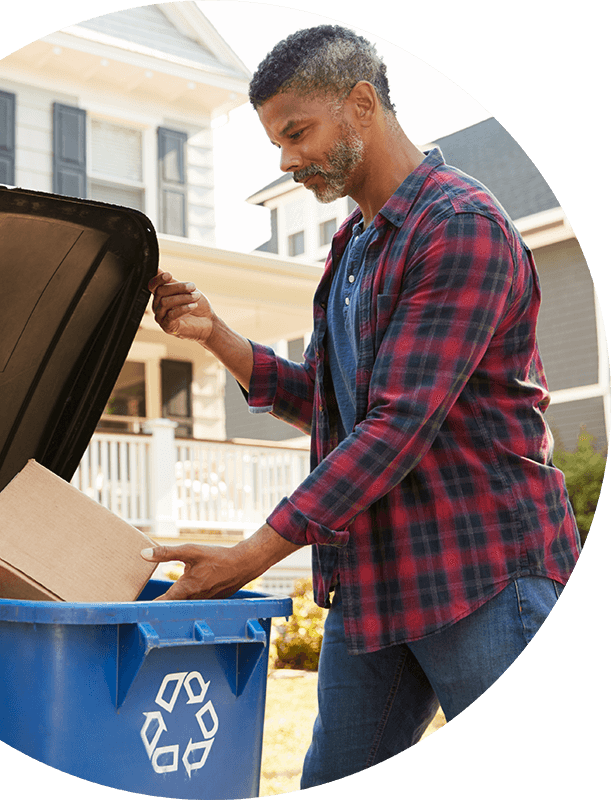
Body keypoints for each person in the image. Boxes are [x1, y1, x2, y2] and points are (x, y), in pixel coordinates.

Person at [142, 25, 580, 781]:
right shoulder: (353, 248)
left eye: (296, 132)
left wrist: (248, 559)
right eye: (278, 141)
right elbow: (332, 404)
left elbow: (396, 426)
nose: (285, 160)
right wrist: (215, 334)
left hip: (483, 574)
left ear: (361, 104)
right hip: (375, 584)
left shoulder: (458, 226)